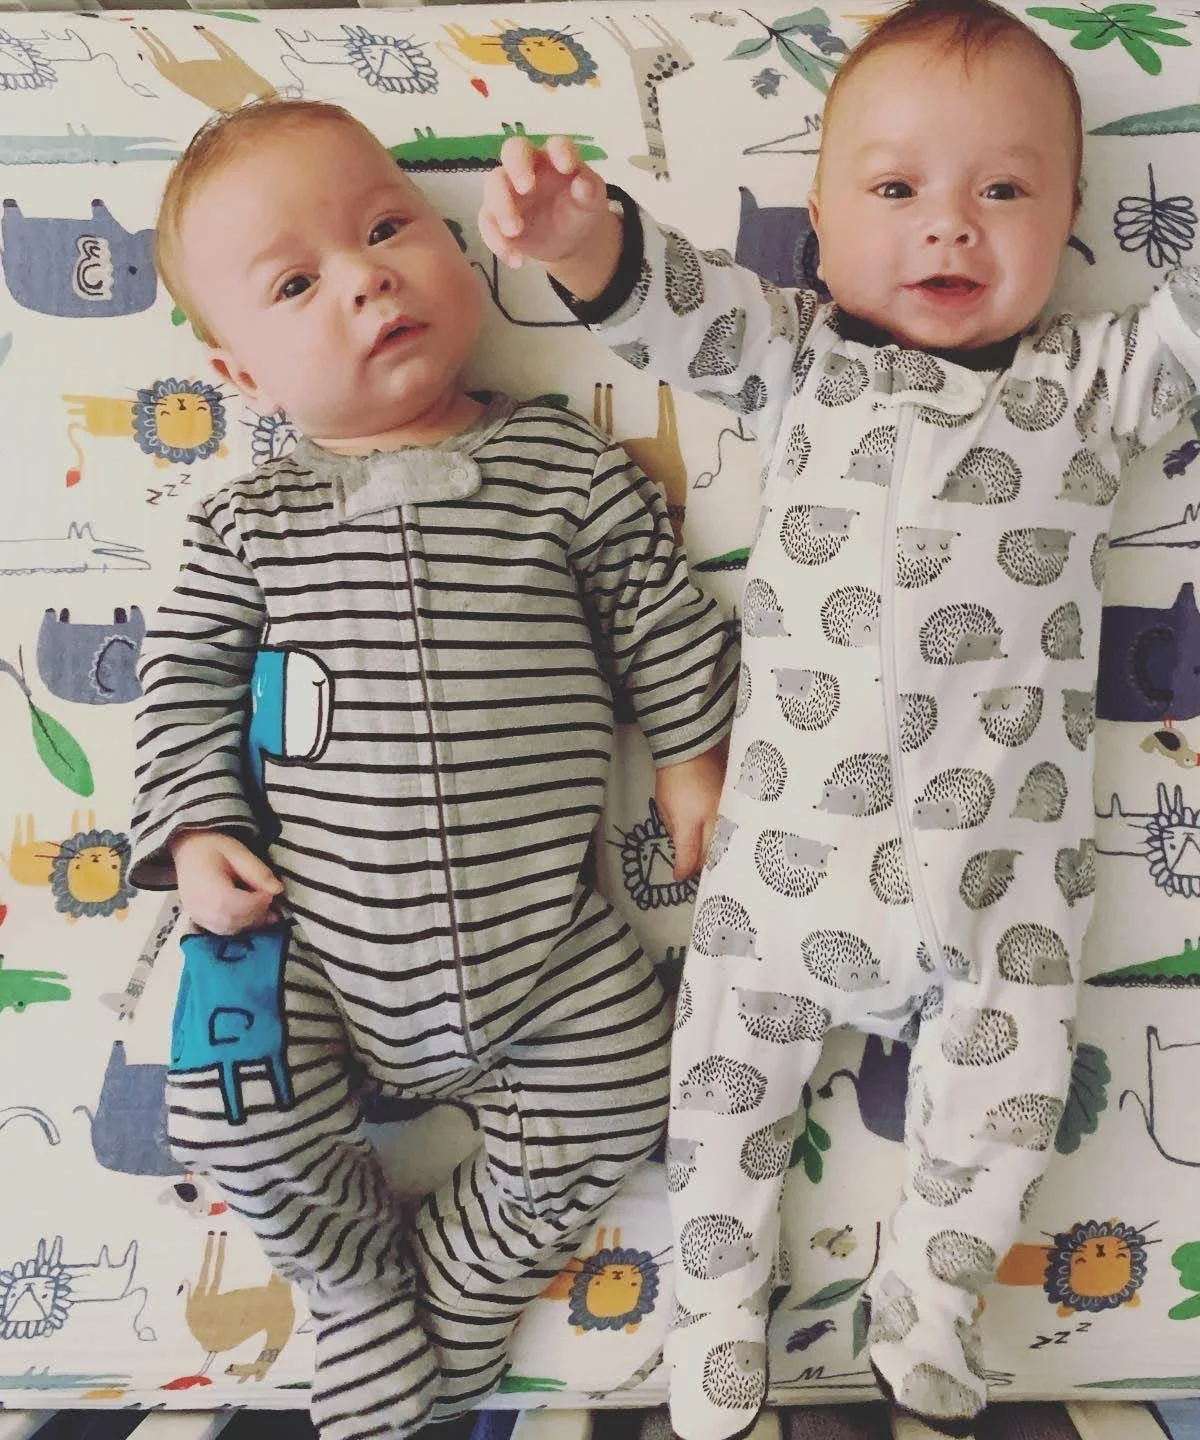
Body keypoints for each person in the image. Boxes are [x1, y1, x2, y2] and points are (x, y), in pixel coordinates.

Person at [478, 0, 1200, 1434]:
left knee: (1011, 1095)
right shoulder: (800, 360)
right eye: (895, 190)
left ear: (1068, 222)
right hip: (788, 867)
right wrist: (579, 241)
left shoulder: (1096, 380)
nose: (949, 226)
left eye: (1004, 191)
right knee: (722, 1092)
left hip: (1004, 881)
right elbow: (675, 306)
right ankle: (714, 1312)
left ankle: (933, 1297)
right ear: (817, 223)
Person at [130, 97, 737, 1440]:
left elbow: (659, 608)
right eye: (297, 284)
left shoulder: (560, 465)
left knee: (627, 1083)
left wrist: (691, 757)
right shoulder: (249, 523)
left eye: (387, 227)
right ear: (241, 376)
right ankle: (352, 1287)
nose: (365, 279)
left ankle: (464, 1281)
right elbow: (180, 682)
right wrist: (194, 832)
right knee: (225, 1110)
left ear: (455, 246)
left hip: (549, 937)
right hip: (311, 935)